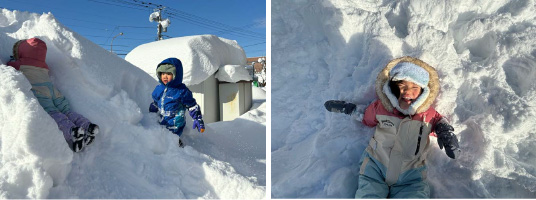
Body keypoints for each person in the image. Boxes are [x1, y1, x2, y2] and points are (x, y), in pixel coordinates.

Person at [324, 56, 460, 198]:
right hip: (375, 169)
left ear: (423, 92)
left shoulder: (427, 115)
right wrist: (348, 108)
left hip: (411, 177)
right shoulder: (382, 108)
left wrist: (446, 133)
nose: (408, 92)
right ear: (393, 88)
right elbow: (364, 115)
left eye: (415, 87)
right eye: (402, 86)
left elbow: (440, 123)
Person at [7, 38, 99, 152]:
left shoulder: (20, 64)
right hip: (52, 90)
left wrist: (12, 61)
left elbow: (9, 68)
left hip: (40, 90)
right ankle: (87, 126)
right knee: (66, 111)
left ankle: (73, 132)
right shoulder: (43, 65)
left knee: (53, 112)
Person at [149, 57, 205, 147]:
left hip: (176, 124)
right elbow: (156, 102)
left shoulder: (182, 91)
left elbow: (192, 106)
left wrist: (198, 118)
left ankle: (179, 149)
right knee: (161, 139)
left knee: (172, 141)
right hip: (163, 121)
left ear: (176, 74)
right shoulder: (159, 89)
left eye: (168, 73)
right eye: (162, 73)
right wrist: (152, 110)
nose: (165, 76)